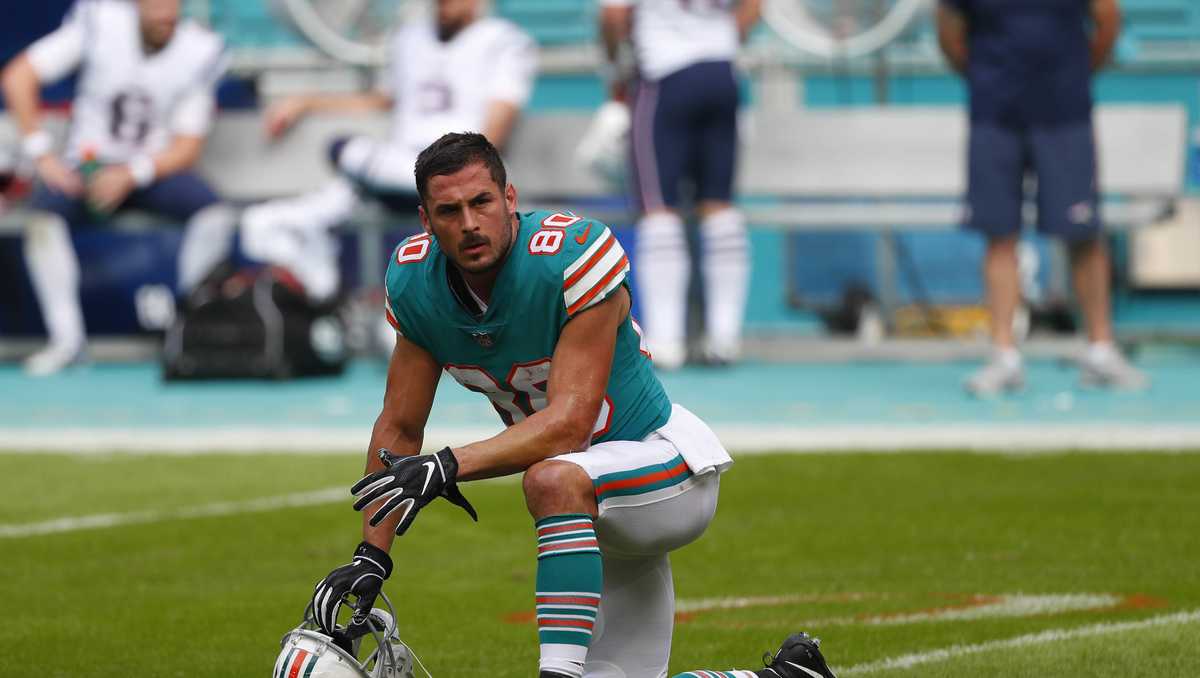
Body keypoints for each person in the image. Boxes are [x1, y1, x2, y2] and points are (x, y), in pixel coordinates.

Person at [308, 133, 836, 678]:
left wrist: (450, 465)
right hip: (590, 512)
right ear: (426, 219)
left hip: (660, 464)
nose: (468, 223)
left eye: (481, 203)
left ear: (509, 198)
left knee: (551, 477)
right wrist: (371, 554)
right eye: (449, 210)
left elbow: (570, 425)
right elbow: (399, 424)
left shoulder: (566, 255)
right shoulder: (417, 284)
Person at [239, 0, 537, 304]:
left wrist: (459, 170)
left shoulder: (505, 41)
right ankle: (323, 284)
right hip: (391, 172)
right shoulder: (409, 36)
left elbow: (494, 132)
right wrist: (306, 102)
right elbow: (379, 101)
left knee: (351, 155)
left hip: (453, 172)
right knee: (261, 224)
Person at [1, 0, 236, 376]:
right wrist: (42, 155)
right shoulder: (99, 21)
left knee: (216, 214)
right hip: (90, 164)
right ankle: (67, 342)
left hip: (150, 170)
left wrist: (132, 173)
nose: (165, 20)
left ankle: (189, 328)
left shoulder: (200, 49)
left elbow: (186, 147)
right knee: (43, 221)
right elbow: (18, 77)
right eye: (157, 12)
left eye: (172, 14)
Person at [936, 0, 1148, 395]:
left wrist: (1074, 77)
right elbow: (948, 34)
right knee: (999, 234)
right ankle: (1004, 357)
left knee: (1083, 233)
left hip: (1064, 116)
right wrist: (987, 80)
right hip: (995, 117)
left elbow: (1107, 21)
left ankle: (1101, 350)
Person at [598, 0, 762, 370]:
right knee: (718, 204)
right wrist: (716, 37)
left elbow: (613, 15)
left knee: (658, 207)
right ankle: (724, 337)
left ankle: (666, 339)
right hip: (723, 71)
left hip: (664, 73)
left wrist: (616, 62)